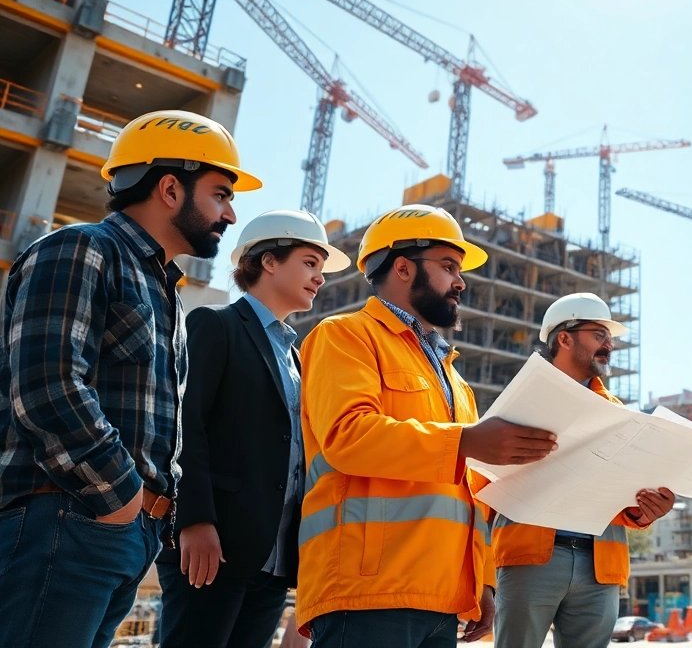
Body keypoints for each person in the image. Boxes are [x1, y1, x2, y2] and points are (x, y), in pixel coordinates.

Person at [0, 110, 260, 648]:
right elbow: (50, 387)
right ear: (169, 188)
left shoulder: (166, 294)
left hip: (117, 533)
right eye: (220, 194)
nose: (230, 214)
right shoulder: (81, 249)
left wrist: (142, 521)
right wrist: (121, 500)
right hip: (66, 519)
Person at [297, 204, 559, 648]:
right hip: (366, 591)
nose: (460, 281)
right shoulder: (345, 335)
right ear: (402, 267)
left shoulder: (455, 381)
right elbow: (348, 436)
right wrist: (467, 440)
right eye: (448, 266)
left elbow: (471, 492)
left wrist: (484, 582)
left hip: (441, 598)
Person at [155, 210, 350, 648]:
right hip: (212, 549)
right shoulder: (216, 324)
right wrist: (195, 520)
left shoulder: (296, 357)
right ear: (268, 262)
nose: (319, 278)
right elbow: (188, 425)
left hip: (274, 559)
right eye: (309, 262)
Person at [490, 293, 676, 648]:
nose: (609, 345)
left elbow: (623, 495)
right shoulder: (521, 401)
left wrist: (644, 510)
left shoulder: (620, 414)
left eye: (610, 337)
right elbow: (485, 487)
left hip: (600, 565)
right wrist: (481, 577)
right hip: (530, 561)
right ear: (564, 338)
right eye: (599, 335)